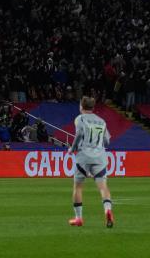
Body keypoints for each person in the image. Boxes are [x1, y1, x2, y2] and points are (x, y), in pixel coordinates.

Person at [66, 96, 114, 229]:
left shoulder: (80, 119)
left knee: (78, 187)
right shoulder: (102, 121)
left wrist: (73, 148)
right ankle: (107, 210)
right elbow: (107, 141)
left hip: (84, 156)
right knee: (103, 186)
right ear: (93, 108)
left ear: (81, 106)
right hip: (100, 157)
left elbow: (80, 133)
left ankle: (78, 218)